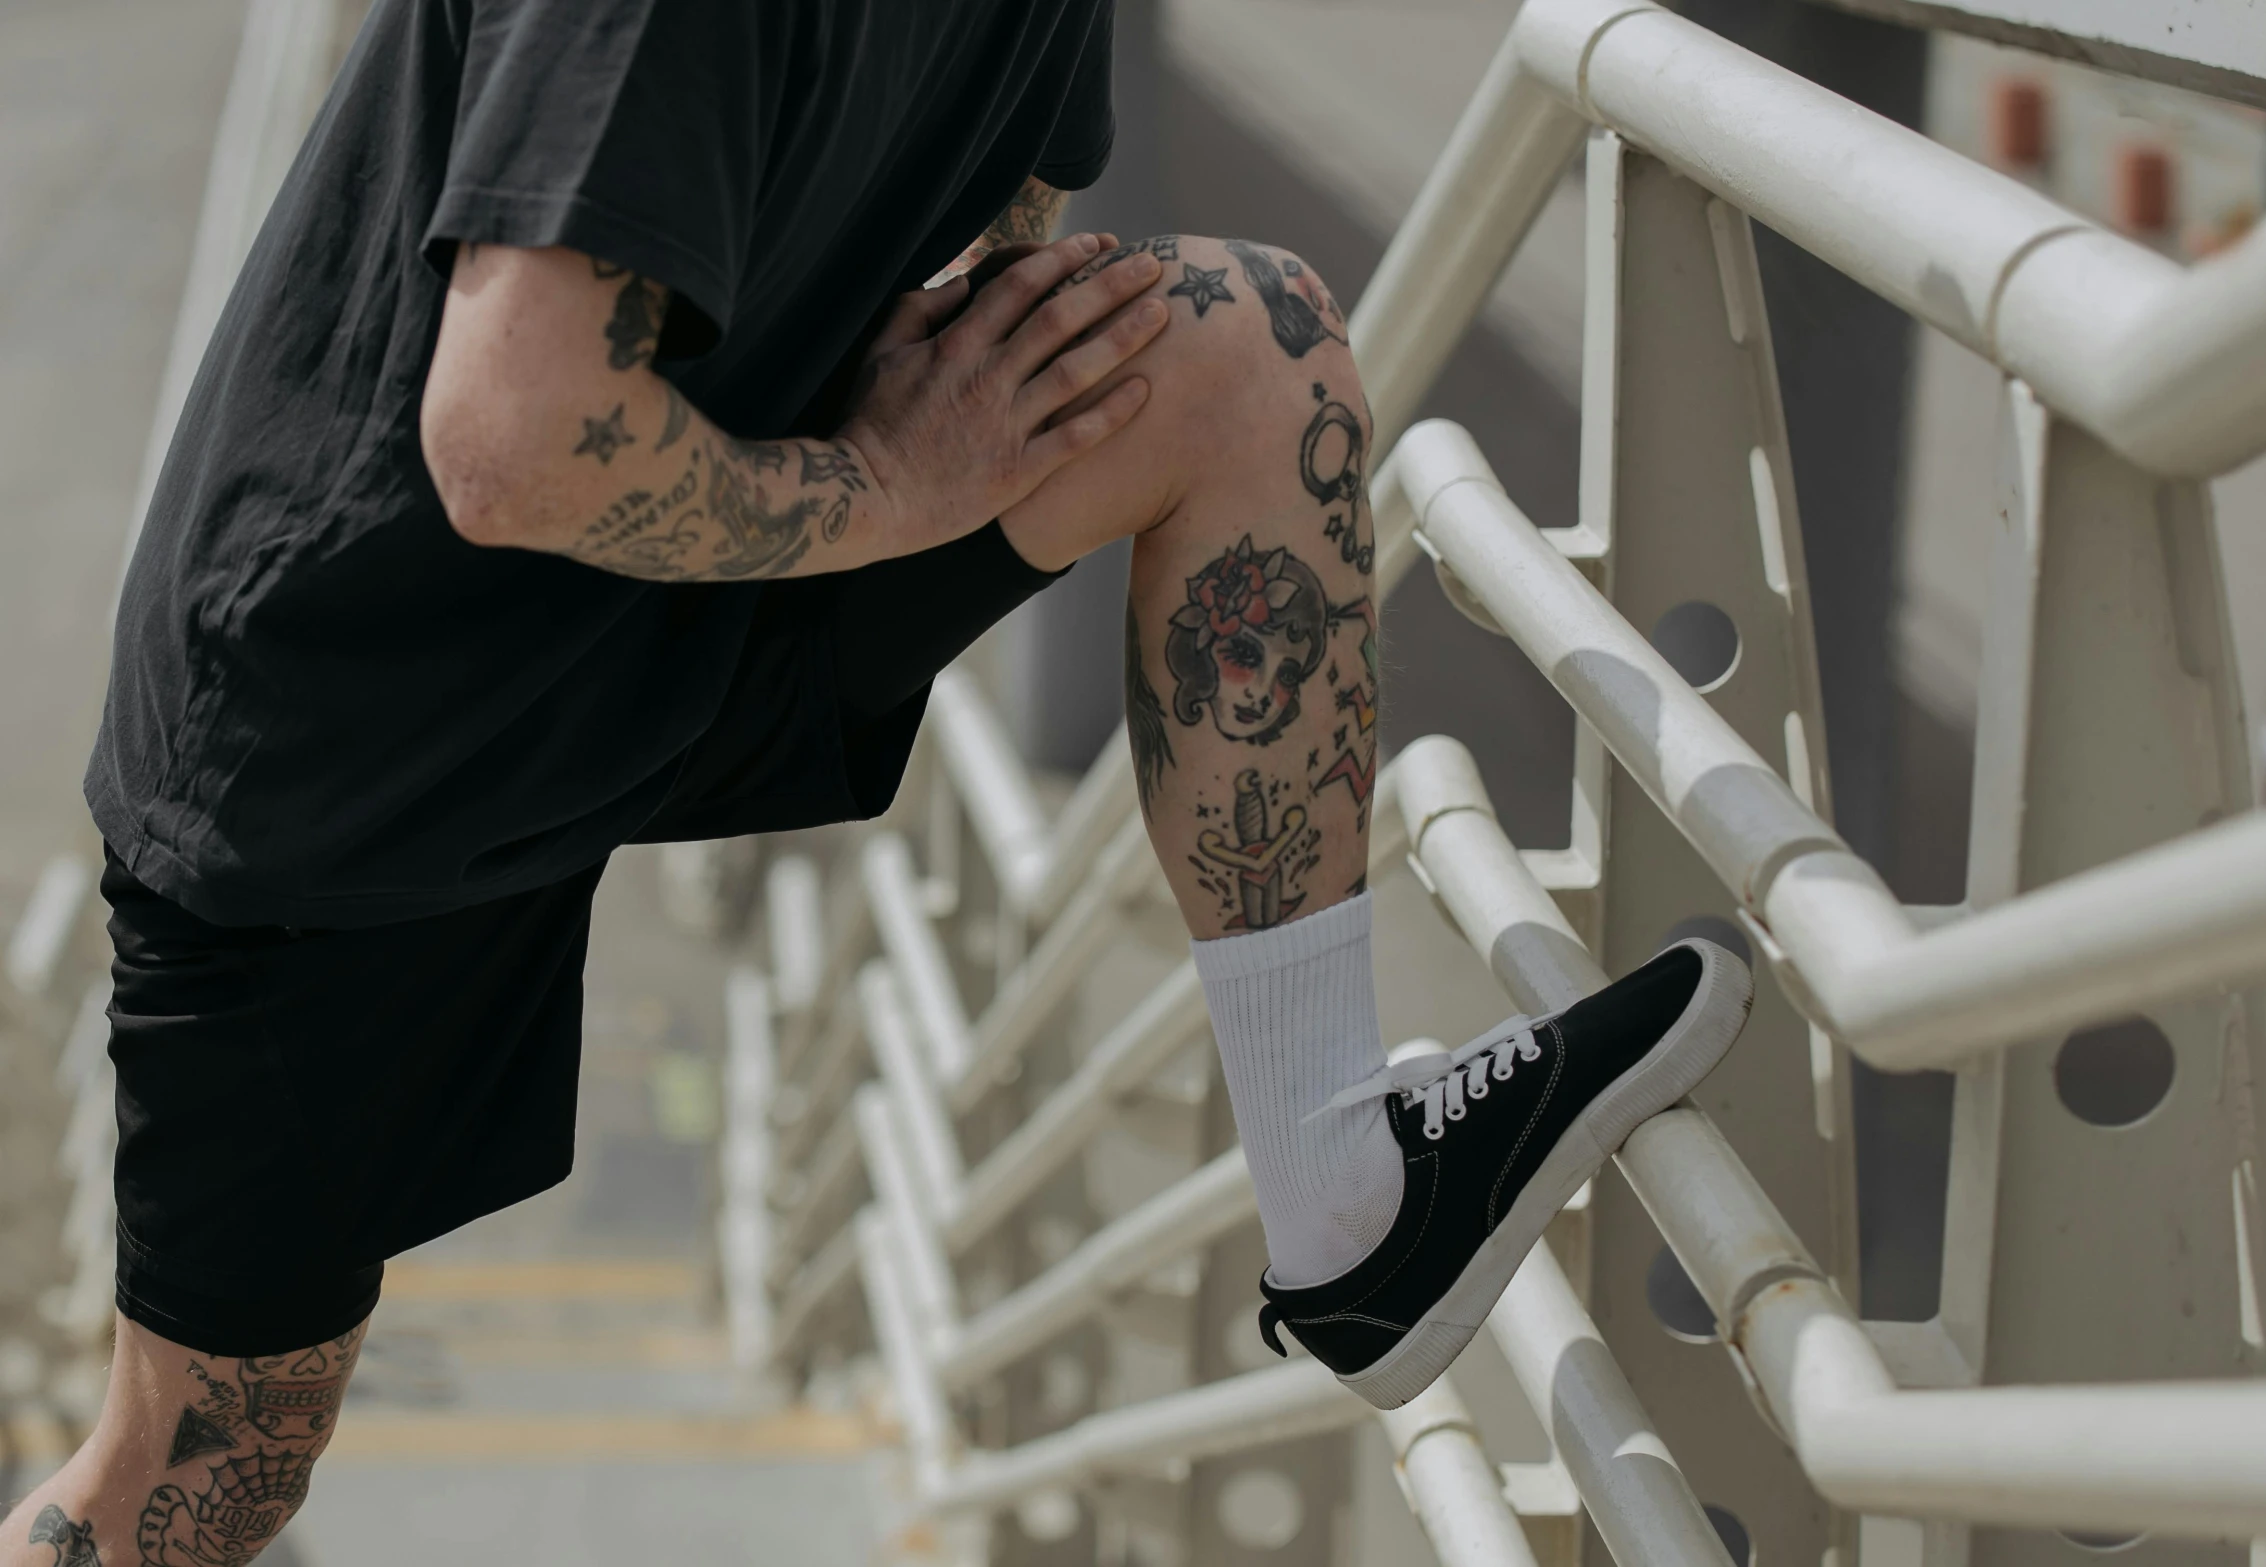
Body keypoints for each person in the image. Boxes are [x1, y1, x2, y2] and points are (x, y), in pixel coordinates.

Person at [3, 0, 1750, 1558]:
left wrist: (926, 413)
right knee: (203, 1486)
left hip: (689, 585)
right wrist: (902, 487)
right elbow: (510, 433)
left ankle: (1344, 1193)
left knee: (1236, 354)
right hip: (352, 728)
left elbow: (1006, 239)